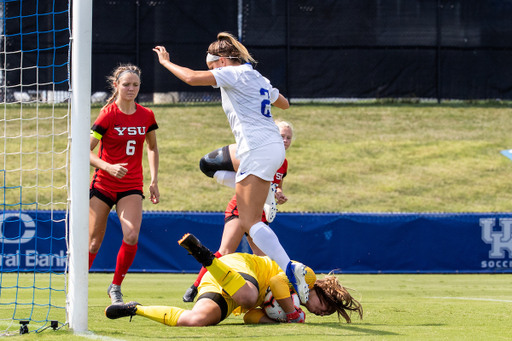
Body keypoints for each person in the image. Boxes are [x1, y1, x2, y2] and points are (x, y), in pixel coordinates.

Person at [153, 32, 310, 303]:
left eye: (213, 67)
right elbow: (283, 103)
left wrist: (166, 62)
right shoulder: (257, 77)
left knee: (249, 222)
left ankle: (289, 267)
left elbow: (191, 77)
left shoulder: (232, 73)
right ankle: (270, 191)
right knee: (208, 164)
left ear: (222, 61)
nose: (212, 73)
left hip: (255, 149)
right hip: (269, 146)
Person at [105, 233, 363, 326]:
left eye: (325, 314)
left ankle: (135, 308)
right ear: (321, 291)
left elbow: (250, 315)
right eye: (325, 307)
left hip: (229, 287)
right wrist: (292, 315)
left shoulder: (292, 305)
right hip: (237, 267)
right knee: (249, 295)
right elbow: (275, 283)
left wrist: (278, 320)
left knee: (195, 321)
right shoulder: (306, 277)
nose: (321, 312)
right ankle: (206, 257)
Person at [182, 120, 295, 302]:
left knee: (264, 260)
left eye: (288, 137)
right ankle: (195, 286)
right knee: (225, 251)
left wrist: (279, 194)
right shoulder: (257, 155)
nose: (285, 140)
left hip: (260, 214)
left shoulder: (282, 162)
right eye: (281, 135)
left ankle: (268, 297)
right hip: (240, 207)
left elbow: (276, 187)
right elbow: (245, 179)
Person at [89, 64, 160, 305]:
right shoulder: (108, 114)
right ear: (116, 86)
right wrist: (107, 167)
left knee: (131, 235)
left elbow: (151, 147)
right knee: (93, 242)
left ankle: (115, 286)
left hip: (131, 185)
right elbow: (84, 151)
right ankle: (76, 287)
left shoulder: (147, 115)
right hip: (103, 184)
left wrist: (154, 180)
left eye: (136, 85)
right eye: (126, 84)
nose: (131, 88)